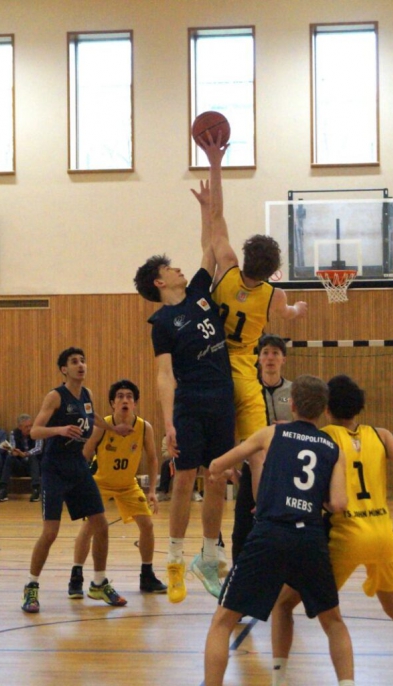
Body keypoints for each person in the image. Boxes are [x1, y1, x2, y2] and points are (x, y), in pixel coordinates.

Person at [270, 375, 393, 686]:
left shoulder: (325, 437)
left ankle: (282, 681)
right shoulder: (380, 435)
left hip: (345, 535)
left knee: (286, 604)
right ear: (359, 406)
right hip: (382, 534)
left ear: (326, 408)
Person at [193, 135, 307, 568]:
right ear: (273, 269)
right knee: (259, 453)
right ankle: (265, 519)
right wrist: (296, 309)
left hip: (211, 368)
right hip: (243, 371)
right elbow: (289, 315)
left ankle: (208, 543)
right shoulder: (274, 296)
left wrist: (215, 162)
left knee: (215, 461)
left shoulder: (225, 266)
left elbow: (217, 219)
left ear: (244, 254)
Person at [203, 375, 352, 686]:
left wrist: (222, 471)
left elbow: (217, 464)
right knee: (334, 622)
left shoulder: (271, 433)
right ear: (324, 410)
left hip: (269, 534)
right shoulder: (333, 448)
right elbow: (338, 503)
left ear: (292, 404)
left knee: (223, 622)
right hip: (309, 538)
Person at [134, 214, 236, 603]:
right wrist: (168, 422)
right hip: (190, 403)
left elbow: (211, 245)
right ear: (159, 282)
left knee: (218, 476)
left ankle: (209, 556)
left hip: (222, 398)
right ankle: (174, 560)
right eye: (170, 268)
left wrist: (210, 206)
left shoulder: (198, 291)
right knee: (184, 478)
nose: (179, 269)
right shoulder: (162, 322)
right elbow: (164, 375)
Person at [21, 348, 131, 614]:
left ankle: (99, 582)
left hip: (78, 466)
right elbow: (35, 431)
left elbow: (92, 418)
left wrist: (113, 428)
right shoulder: (55, 396)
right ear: (64, 369)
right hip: (55, 469)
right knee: (50, 533)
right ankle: (31, 586)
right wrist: (59, 429)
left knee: (101, 524)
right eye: (74, 362)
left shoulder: (87, 394)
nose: (81, 365)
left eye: (83, 360)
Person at [71, 379, 167, 595]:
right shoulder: (103, 426)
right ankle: (76, 577)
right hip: (100, 483)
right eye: (120, 396)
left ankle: (147, 575)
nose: (125, 400)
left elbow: (153, 459)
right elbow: (85, 454)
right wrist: (79, 484)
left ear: (135, 403)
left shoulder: (144, 427)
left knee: (147, 525)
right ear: (112, 403)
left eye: (129, 397)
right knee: (88, 527)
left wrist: (152, 490)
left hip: (127, 485)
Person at [231, 333, 294, 563]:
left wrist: (289, 427)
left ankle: (281, 569)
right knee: (242, 526)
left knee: (284, 522)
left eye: (275, 353)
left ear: (283, 359)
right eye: (265, 353)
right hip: (254, 466)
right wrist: (231, 463)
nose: (270, 358)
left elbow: (308, 425)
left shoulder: (294, 391)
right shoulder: (248, 390)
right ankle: (239, 570)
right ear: (258, 358)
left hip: (286, 468)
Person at [0, 413, 43, 502]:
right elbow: (12, 447)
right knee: (9, 458)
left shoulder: (36, 432)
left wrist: (26, 454)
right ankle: (3, 490)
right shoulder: (14, 433)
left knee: (32, 457)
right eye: (26, 427)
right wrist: (13, 452)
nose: (29, 428)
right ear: (20, 427)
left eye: (30, 425)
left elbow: (39, 448)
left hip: (35, 466)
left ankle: (36, 490)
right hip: (20, 464)